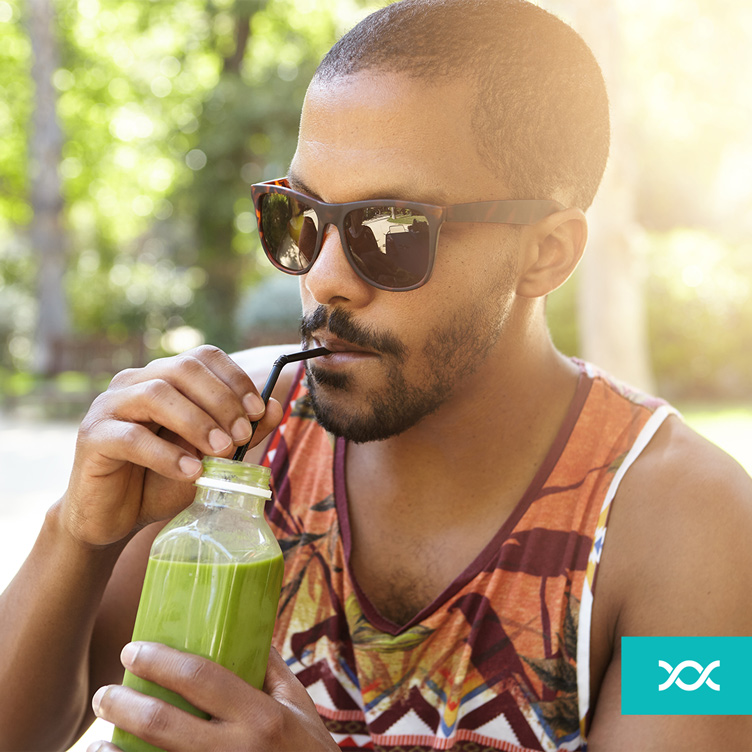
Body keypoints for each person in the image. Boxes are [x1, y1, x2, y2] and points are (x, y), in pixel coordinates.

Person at [2, 1, 751, 750]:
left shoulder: (694, 530)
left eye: (390, 230)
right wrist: (76, 536)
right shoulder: (236, 438)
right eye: (295, 217)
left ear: (546, 252)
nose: (325, 280)